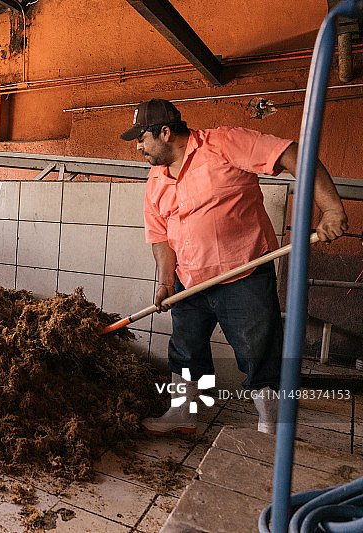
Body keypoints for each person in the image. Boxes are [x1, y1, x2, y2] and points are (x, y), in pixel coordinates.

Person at [120, 99, 348, 434]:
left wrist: (329, 208)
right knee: (185, 351)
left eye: (141, 138)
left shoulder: (223, 143)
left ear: (165, 132)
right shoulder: (156, 179)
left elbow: (291, 153)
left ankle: (272, 428)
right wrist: (167, 281)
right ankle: (183, 415)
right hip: (189, 281)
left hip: (243, 276)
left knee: (259, 354)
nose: (138, 146)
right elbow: (159, 235)